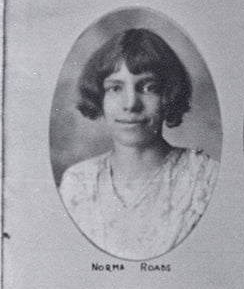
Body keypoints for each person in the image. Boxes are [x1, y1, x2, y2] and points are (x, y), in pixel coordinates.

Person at [58, 28, 218, 261]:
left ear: (169, 94)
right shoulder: (77, 183)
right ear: (99, 97)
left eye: (148, 87)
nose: (131, 104)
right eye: (115, 88)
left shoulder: (205, 179)